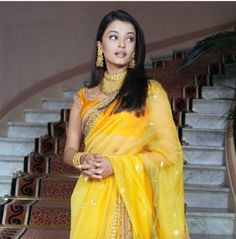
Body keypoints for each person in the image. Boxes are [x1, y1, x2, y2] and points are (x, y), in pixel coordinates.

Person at [63, 9, 190, 239]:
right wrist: (82, 158)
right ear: (100, 45)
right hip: (90, 196)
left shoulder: (150, 92)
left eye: (129, 38)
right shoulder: (83, 98)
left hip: (133, 200)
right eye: (114, 37)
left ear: (134, 48)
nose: (122, 44)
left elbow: (170, 155)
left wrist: (117, 165)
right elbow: (69, 151)